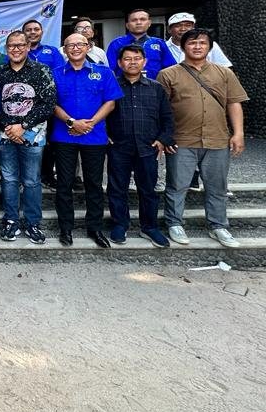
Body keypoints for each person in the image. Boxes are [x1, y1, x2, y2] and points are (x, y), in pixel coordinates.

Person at [158, 28, 249, 248]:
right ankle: (174, 223)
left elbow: (234, 103)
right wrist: (165, 137)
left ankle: (218, 226)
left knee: (216, 185)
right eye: (192, 43)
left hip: (217, 138)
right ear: (183, 47)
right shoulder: (168, 74)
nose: (197, 47)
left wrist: (238, 133)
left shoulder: (224, 73)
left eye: (202, 43)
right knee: (177, 185)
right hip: (182, 139)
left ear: (209, 47)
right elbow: (161, 110)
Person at [50, 32, 123, 247]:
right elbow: (51, 103)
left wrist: (89, 124)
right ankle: (66, 228)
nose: (75, 48)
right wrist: (72, 122)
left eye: (79, 44)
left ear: (88, 46)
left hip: (95, 136)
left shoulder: (104, 72)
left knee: (93, 184)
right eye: (70, 45)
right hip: (64, 136)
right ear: (64, 50)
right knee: (64, 184)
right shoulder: (55, 74)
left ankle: (95, 228)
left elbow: (110, 102)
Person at [106, 44, 174, 248]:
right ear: (120, 63)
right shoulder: (112, 86)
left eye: (137, 59)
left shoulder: (156, 88)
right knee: (117, 188)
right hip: (119, 146)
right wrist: (105, 135)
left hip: (148, 147)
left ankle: (150, 227)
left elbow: (167, 117)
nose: (132, 62)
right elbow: (102, 112)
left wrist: (163, 139)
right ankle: (120, 224)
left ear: (144, 62)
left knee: (148, 190)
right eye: (127, 59)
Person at [0, 30, 56, 244]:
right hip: (5, 135)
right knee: (9, 179)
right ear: (6, 49)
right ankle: (11, 220)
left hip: (33, 136)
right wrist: (10, 127)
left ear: (28, 47)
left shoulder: (41, 71)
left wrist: (23, 126)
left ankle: (32, 223)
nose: (16, 49)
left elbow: (48, 104)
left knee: (31, 180)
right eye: (12, 46)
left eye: (20, 45)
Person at [23, 20, 64, 189]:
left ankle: (47, 175)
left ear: (41, 32)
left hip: (47, 105)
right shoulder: (18, 51)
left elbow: (60, 76)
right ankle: (24, 177)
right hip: (24, 106)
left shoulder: (52, 51)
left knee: (48, 142)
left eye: (36, 29)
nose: (32, 32)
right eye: (29, 30)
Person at [106, 8, 176, 79]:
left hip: (155, 84)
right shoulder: (116, 44)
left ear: (149, 23)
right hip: (123, 85)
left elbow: (171, 69)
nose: (138, 22)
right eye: (134, 20)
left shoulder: (159, 43)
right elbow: (109, 71)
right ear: (127, 25)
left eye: (143, 19)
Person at [166, 12, 232, 66]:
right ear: (169, 29)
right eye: (178, 26)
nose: (183, 29)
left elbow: (225, 68)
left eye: (188, 25)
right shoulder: (163, 47)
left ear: (193, 28)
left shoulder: (210, 45)